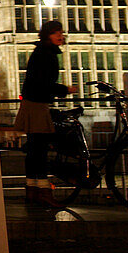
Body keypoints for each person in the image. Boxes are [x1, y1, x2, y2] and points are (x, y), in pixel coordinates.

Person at [13, 19, 77, 206]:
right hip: (37, 104)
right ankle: (43, 191)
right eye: (55, 33)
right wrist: (65, 90)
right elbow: (43, 83)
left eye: (61, 32)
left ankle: (32, 190)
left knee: (34, 149)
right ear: (47, 35)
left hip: (32, 103)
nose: (60, 36)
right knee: (39, 150)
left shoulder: (41, 52)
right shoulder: (46, 54)